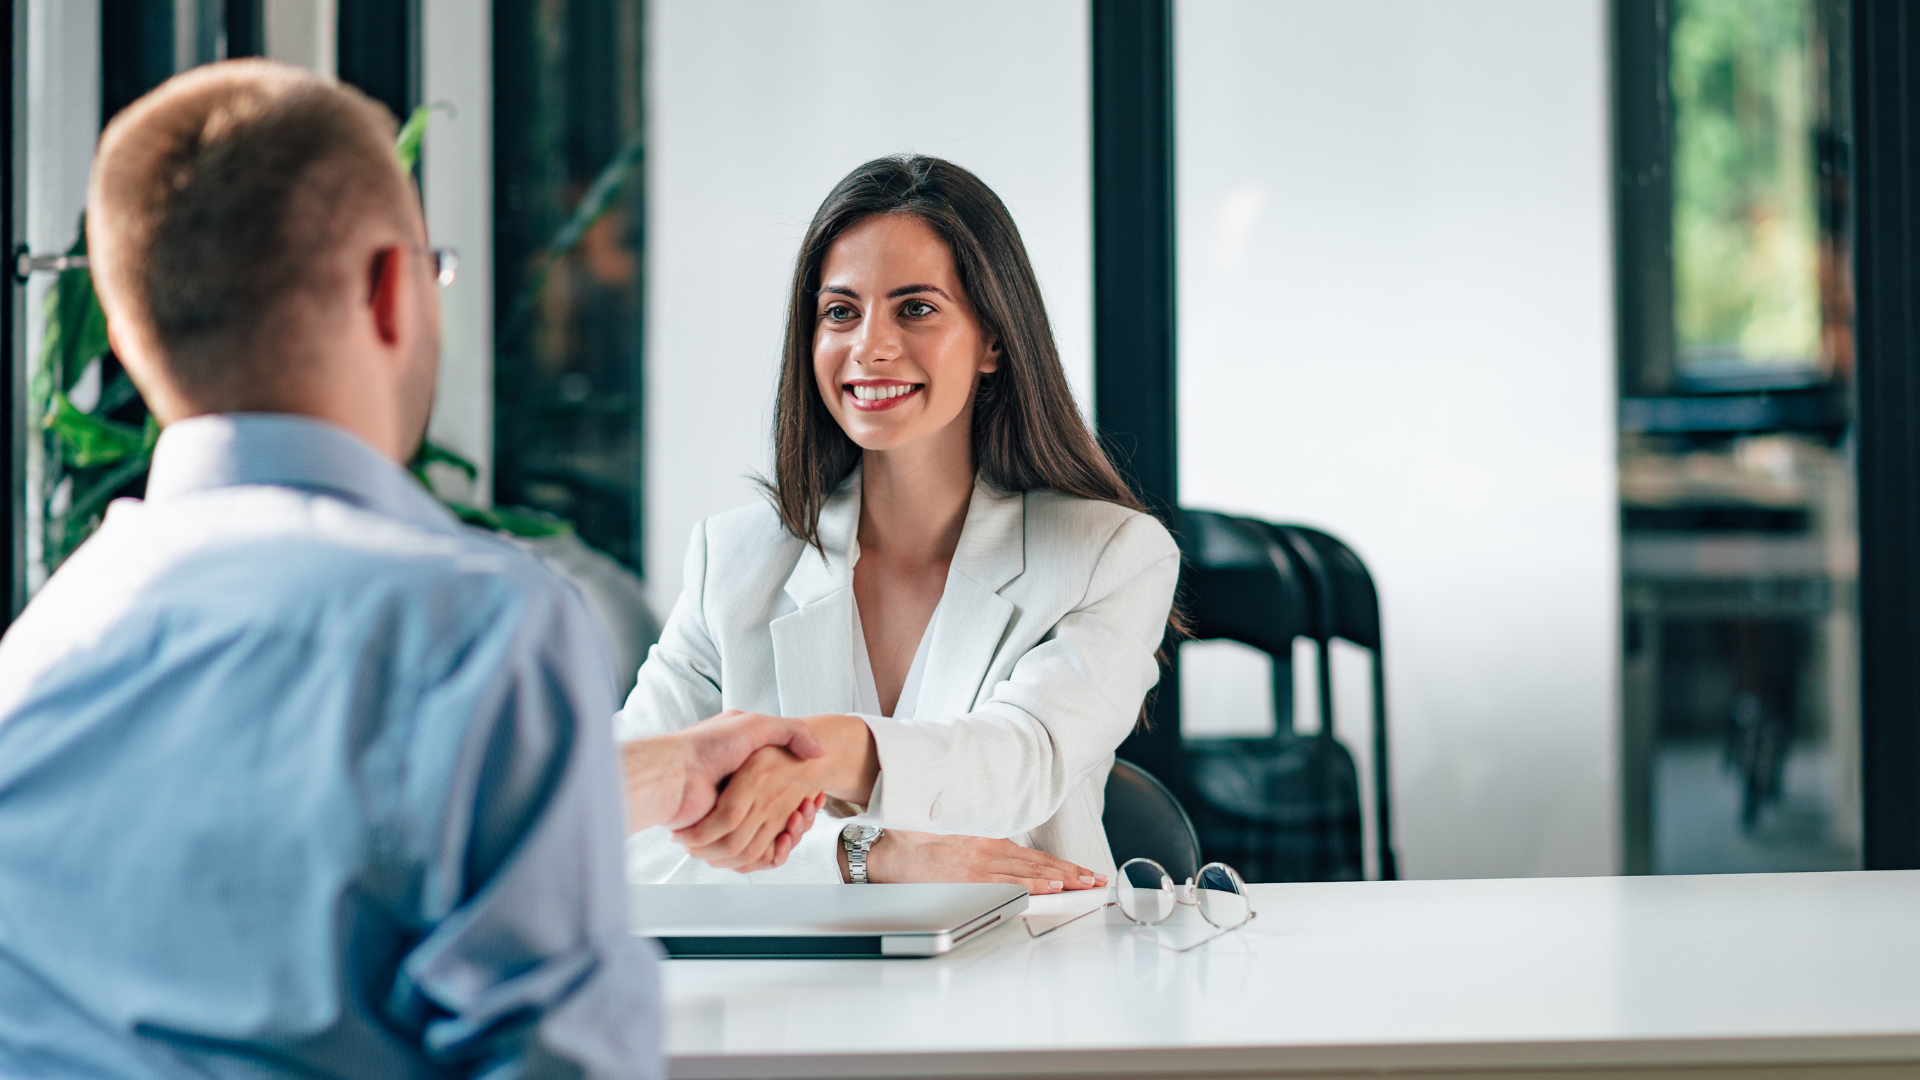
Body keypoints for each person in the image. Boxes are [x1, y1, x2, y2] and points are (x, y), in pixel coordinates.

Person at [0, 61, 819, 1078]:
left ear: (125, 336)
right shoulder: (478, 630)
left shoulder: (37, 654)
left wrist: (667, 773)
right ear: (391, 289)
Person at [619, 156, 1180, 892]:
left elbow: (1023, 760)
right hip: (797, 997)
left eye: (915, 308)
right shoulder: (731, 560)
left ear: (993, 341)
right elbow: (611, 825)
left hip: (1030, 985)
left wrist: (811, 755)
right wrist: (861, 855)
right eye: (840, 312)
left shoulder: (1110, 555)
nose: (869, 345)